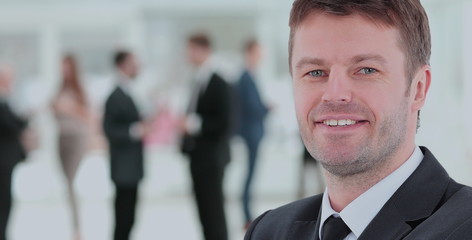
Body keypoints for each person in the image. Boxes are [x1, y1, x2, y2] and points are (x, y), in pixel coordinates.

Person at [245, 0, 472, 239]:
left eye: (366, 70)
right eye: (314, 72)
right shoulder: (267, 231)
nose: (334, 94)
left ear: (418, 89)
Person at [180, 34, 232, 240]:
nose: (187, 55)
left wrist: (192, 123)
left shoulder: (219, 82)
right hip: (197, 156)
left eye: (191, 50)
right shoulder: (197, 80)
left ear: (204, 50)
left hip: (212, 157)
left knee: (214, 211)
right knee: (203, 210)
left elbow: (225, 123)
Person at [103, 50, 146, 240]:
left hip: (132, 165)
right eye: (132, 63)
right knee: (123, 217)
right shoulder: (115, 96)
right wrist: (135, 130)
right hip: (123, 167)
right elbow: (109, 129)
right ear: (121, 65)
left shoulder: (130, 92)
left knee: (129, 217)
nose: (137, 67)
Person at [51, 55, 89, 240]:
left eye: (66, 66)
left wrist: (70, 107)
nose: (63, 70)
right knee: (66, 182)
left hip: (76, 138)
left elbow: (89, 115)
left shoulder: (79, 89)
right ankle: (74, 225)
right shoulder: (59, 89)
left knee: (71, 182)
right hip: (61, 138)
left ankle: (77, 228)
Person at [236, 39, 269, 228]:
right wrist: (265, 109)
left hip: (254, 132)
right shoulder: (245, 77)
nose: (260, 56)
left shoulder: (250, 76)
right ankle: (247, 215)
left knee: (251, 174)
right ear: (249, 53)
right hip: (251, 133)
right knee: (249, 175)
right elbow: (251, 106)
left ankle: (247, 214)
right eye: (258, 52)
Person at [0, 65, 28, 240]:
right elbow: (11, 125)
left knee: (6, 201)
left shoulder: (7, 100)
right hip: (2, 159)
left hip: (7, 159)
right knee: (3, 201)